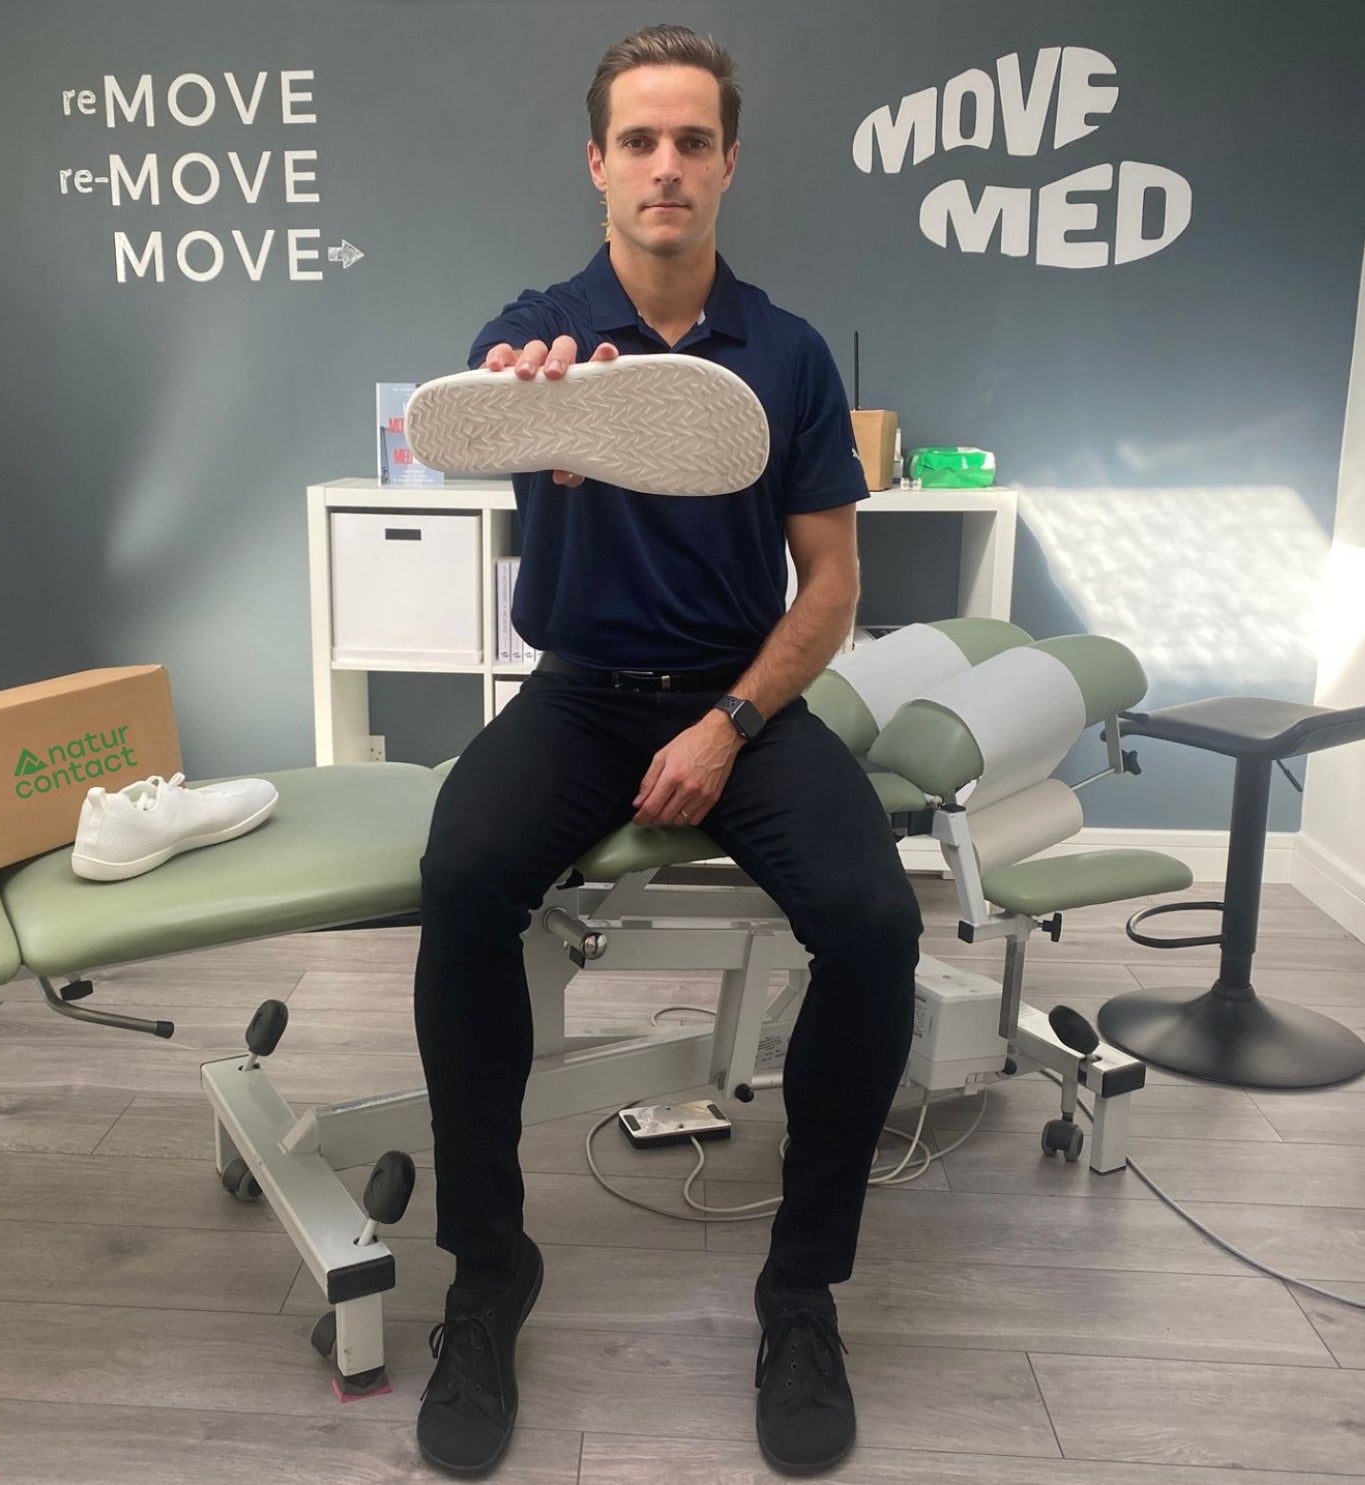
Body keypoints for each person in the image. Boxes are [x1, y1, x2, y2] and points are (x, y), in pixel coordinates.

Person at [412, 23, 922, 1477]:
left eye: (691, 140)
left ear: (727, 163)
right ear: (597, 162)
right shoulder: (533, 336)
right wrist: (538, 420)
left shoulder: (791, 354)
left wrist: (731, 720)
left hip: (735, 696)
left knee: (876, 919)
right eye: (638, 139)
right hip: (577, 694)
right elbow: (494, 429)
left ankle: (800, 1288)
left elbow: (827, 589)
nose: (665, 165)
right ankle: (488, 1267)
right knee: (458, 883)